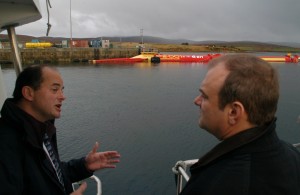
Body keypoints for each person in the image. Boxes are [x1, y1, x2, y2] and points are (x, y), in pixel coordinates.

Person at [180, 54, 300, 195]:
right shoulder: (293, 156)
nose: (196, 101)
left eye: (204, 96)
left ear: (233, 112)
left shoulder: (214, 184)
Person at [0, 65, 121, 194]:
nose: (62, 97)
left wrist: (84, 165)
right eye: (55, 89)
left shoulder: (42, 129)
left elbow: (52, 174)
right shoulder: (5, 142)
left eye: (61, 90)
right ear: (29, 93)